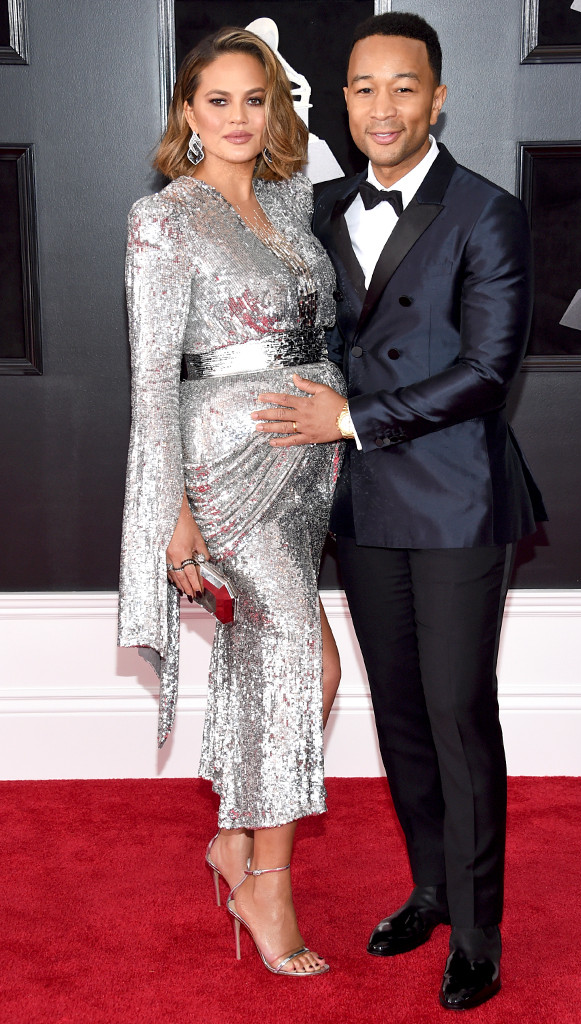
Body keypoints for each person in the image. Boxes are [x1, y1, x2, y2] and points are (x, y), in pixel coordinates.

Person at [251, 11, 546, 1009]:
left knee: (458, 710)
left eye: (405, 87)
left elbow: (487, 371)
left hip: (457, 497)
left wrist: (350, 417)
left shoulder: (488, 211)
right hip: (364, 498)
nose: (384, 107)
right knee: (402, 710)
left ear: (438, 98)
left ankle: (479, 932)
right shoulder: (318, 207)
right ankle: (430, 888)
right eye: (365, 88)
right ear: (343, 101)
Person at [118, 27, 347, 977]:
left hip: (308, 465)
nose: (240, 117)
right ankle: (267, 882)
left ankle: (235, 842)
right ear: (188, 112)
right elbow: (151, 380)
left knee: (280, 666)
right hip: (225, 469)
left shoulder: (290, 205)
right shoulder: (163, 219)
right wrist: (171, 516)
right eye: (219, 100)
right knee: (307, 663)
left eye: (257, 99)